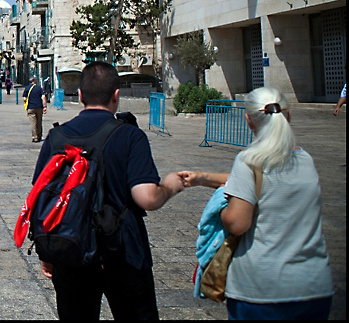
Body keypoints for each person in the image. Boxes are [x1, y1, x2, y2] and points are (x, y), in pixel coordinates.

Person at [33, 61, 184, 320]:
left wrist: (47, 252)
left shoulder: (56, 138)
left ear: (79, 95)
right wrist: (170, 185)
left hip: (71, 248)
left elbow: (41, 194)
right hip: (123, 251)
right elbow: (146, 197)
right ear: (117, 95)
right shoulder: (129, 136)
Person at [179, 87, 334, 320]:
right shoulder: (305, 159)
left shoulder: (249, 160)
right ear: (288, 116)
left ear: (248, 119)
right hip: (314, 286)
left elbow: (238, 223)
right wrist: (203, 178)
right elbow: (265, 183)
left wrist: (221, 209)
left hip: (262, 289)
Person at [22, 76, 48, 143]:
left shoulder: (27, 88)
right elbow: (43, 97)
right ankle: (39, 136)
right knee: (39, 122)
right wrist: (45, 106)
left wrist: (27, 102)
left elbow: (24, 98)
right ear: (35, 80)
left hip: (31, 107)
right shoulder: (39, 88)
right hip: (39, 107)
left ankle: (35, 137)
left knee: (33, 123)